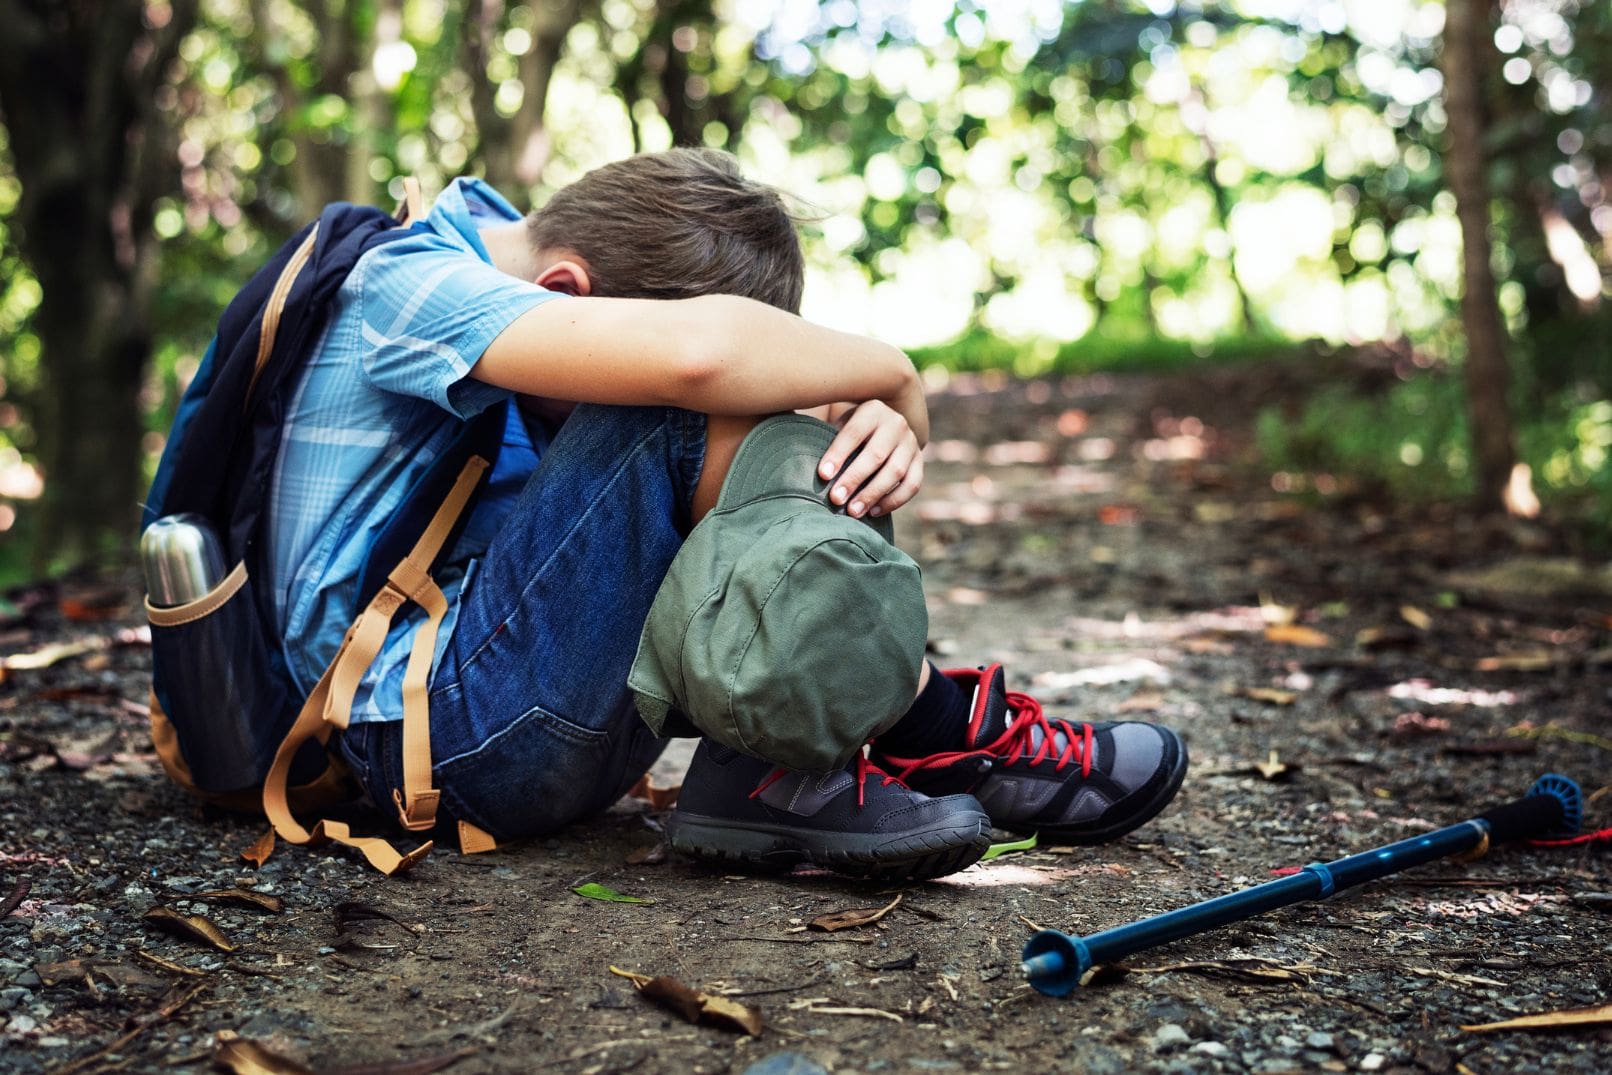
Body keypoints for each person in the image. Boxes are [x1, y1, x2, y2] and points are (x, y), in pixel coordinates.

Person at [266, 148, 1186, 881]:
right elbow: (700, 359)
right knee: (685, 401)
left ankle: (773, 763)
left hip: (510, 719)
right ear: (565, 296)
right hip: (435, 747)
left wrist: (828, 395)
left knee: (779, 396)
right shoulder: (403, 283)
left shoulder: (501, 254)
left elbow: (732, 360)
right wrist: (892, 375)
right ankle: (936, 731)